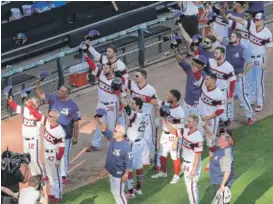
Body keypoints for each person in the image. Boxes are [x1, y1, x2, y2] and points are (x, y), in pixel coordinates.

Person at [35, 80, 81, 184]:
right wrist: (37, 85)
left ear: (67, 94)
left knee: (64, 155)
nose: (59, 92)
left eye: (61, 91)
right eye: (59, 90)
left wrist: (75, 137)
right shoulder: (53, 98)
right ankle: (50, 173)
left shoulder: (72, 105)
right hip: (51, 133)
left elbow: (76, 123)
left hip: (65, 135)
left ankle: (63, 175)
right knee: (50, 152)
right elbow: (40, 94)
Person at [228, 12, 273, 112]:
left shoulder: (267, 33)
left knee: (259, 82)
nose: (255, 21)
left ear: (262, 20)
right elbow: (241, 20)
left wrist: (266, 62)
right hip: (250, 59)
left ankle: (260, 102)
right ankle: (251, 99)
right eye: (255, 19)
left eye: (257, 20)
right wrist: (231, 16)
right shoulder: (251, 26)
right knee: (249, 80)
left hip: (259, 59)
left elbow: (270, 48)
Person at [210, 28, 256, 125]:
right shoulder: (228, 44)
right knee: (228, 97)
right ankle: (229, 117)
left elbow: (249, 63)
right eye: (231, 36)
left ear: (238, 38)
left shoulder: (243, 49)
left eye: (233, 37)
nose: (231, 38)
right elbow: (217, 36)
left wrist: (244, 74)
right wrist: (210, 26)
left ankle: (250, 116)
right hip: (228, 76)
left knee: (242, 96)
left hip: (238, 76)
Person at [26, 103, 66, 203]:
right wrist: (30, 106)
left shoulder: (60, 131)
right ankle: (53, 193)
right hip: (47, 153)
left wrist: (58, 159)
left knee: (56, 175)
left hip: (54, 154)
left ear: (55, 118)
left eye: (51, 116)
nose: (48, 117)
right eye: (49, 115)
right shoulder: (47, 123)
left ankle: (58, 195)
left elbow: (62, 147)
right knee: (50, 175)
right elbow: (37, 115)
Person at [144, 89, 185, 184]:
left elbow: (180, 131)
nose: (167, 97)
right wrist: (146, 98)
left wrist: (175, 142)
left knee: (175, 156)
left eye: (169, 96)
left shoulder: (180, 113)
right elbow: (157, 102)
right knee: (163, 153)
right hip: (164, 134)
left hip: (174, 136)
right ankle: (163, 172)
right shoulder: (166, 104)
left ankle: (176, 175)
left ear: (174, 98)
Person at [122, 68, 160, 168]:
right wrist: (116, 72)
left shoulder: (150, 89)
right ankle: (140, 159)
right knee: (133, 138)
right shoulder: (132, 85)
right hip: (134, 117)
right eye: (134, 75)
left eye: (137, 76)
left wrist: (156, 118)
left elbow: (157, 103)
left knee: (147, 139)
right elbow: (122, 80)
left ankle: (157, 159)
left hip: (145, 118)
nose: (135, 77)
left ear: (143, 76)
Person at [84, 53, 120, 152]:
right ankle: (95, 144)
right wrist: (86, 56)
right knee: (99, 124)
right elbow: (93, 66)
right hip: (101, 104)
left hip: (112, 105)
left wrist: (120, 108)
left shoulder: (116, 81)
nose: (104, 69)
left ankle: (111, 146)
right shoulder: (101, 75)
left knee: (112, 126)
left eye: (106, 68)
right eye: (104, 67)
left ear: (112, 69)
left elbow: (120, 95)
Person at [164, 114, 203, 204]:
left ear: (195, 123)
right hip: (187, 163)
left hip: (193, 164)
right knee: (189, 187)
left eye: (189, 121)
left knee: (191, 188)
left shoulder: (197, 137)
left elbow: (198, 155)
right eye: (187, 120)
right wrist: (165, 121)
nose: (187, 122)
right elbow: (173, 131)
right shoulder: (185, 131)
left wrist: (194, 169)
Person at [87, 44, 129, 127]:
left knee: (120, 114)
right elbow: (95, 54)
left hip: (118, 89)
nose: (107, 53)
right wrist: (88, 46)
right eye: (107, 51)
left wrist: (123, 92)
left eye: (109, 51)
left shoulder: (121, 64)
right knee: (102, 121)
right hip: (106, 89)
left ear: (115, 53)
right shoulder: (104, 59)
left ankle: (123, 133)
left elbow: (125, 80)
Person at [95, 116, 132, 204]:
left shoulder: (126, 146)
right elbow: (103, 129)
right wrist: (98, 121)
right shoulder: (112, 138)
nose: (113, 132)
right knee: (114, 192)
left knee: (119, 193)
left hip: (119, 173)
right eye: (114, 130)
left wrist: (126, 175)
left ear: (121, 134)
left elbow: (129, 162)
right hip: (112, 171)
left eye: (115, 131)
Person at [192, 69, 225, 171]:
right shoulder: (203, 86)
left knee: (210, 142)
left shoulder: (218, 94)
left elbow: (220, 110)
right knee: (197, 138)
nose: (205, 81)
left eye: (207, 79)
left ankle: (213, 162)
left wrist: (209, 117)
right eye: (205, 79)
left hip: (211, 120)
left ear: (213, 81)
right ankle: (196, 159)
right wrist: (193, 64)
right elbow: (196, 74)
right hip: (200, 117)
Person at [116, 92, 145, 199]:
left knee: (128, 167)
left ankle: (130, 191)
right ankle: (138, 188)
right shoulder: (142, 114)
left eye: (133, 104)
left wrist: (119, 94)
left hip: (133, 144)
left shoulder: (136, 115)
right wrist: (127, 97)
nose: (132, 105)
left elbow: (127, 107)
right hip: (140, 143)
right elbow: (128, 106)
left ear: (137, 106)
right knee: (138, 165)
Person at [7, 96, 45, 178]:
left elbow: (36, 115)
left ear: (37, 105)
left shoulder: (40, 115)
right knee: (28, 160)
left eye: (32, 103)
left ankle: (43, 177)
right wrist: (11, 102)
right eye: (30, 102)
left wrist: (30, 106)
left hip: (34, 140)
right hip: (25, 141)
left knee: (36, 161)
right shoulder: (25, 110)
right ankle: (35, 177)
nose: (29, 103)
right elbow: (16, 108)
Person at [203, 122, 234, 203]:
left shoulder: (226, 154)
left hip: (221, 181)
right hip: (217, 179)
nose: (218, 140)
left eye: (220, 140)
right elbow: (212, 136)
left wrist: (223, 184)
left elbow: (227, 171)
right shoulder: (221, 144)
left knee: (221, 201)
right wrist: (205, 127)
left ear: (226, 142)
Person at [174, 51, 207, 119]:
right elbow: (181, 60)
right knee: (183, 124)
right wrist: (176, 53)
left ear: (203, 66)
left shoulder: (204, 75)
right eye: (196, 61)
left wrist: (195, 70)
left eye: (198, 62)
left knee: (196, 125)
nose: (196, 63)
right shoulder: (189, 68)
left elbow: (199, 80)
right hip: (186, 103)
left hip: (196, 105)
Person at [208, 47, 236, 128]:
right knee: (213, 109)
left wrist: (230, 96)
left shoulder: (228, 67)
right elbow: (201, 61)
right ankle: (217, 126)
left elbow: (232, 82)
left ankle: (228, 133)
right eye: (215, 53)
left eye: (217, 53)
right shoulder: (212, 62)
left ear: (222, 55)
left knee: (224, 113)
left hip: (223, 93)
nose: (215, 55)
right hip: (213, 91)